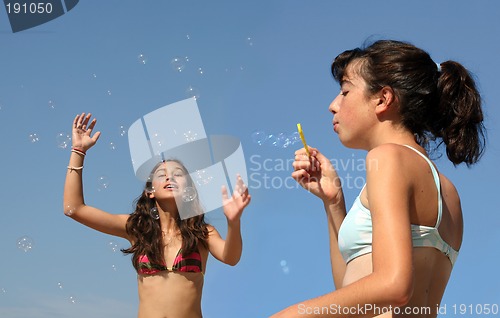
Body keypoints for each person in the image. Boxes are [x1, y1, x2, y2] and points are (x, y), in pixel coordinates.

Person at [272, 40, 485, 317]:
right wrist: (334, 203)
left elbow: (393, 287)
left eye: (345, 91)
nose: (332, 105)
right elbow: (355, 294)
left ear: (383, 99)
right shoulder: (449, 191)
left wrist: (292, 314)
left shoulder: (386, 158)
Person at [63, 113, 251, 318]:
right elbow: (74, 208)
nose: (170, 177)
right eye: (162, 175)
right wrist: (78, 150)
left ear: (188, 187)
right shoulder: (137, 229)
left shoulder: (202, 233)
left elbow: (231, 257)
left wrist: (233, 222)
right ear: (149, 191)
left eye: (178, 174)